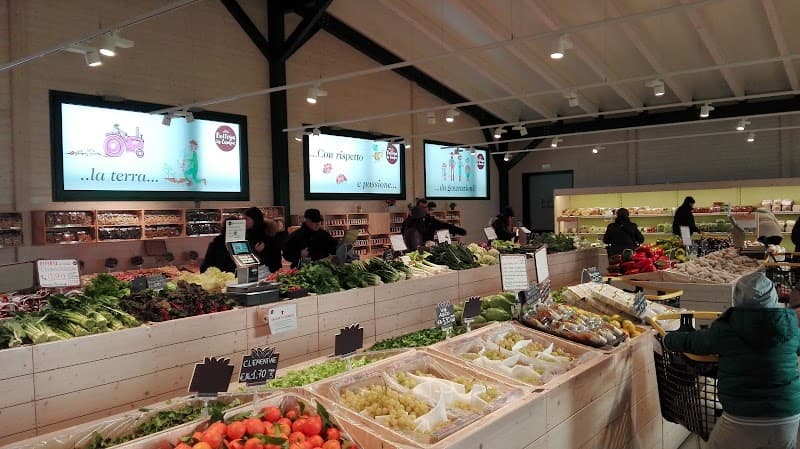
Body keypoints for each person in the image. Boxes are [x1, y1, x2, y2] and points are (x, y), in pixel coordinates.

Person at [663, 272, 800, 449]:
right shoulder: (790, 326)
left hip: (742, 416)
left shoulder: (727, 327)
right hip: (788, 414)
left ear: (737, 298)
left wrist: (668, 340)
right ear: (773, 297)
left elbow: (694, 342)